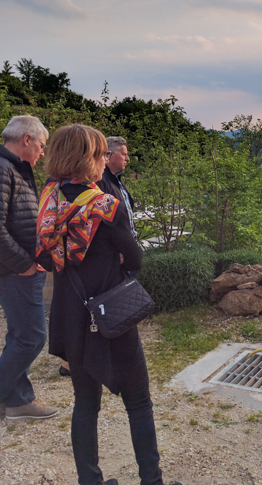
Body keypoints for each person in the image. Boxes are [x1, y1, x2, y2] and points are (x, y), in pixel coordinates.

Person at [35, 124, 180, 485]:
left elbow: (48, 258)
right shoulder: (104, 205)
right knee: (138, 401)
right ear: (86, 159)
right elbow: (135, 258)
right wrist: (115, 261)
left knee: (85, 405)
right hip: (109, 313)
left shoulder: (49, 199)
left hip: (70, 313)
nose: (104, 161)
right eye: (100, 154)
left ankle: (91, 481)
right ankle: (152, 480)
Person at [0, 115, 57, 420]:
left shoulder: (12, 169)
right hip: (13, 271)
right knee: (32, 336)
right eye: (41, 146)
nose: (43, 153)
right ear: (27, 140)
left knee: (20, 335)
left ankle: (19, 402)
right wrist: (23, 266)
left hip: (17, 270)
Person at [59, 135, 136, 378]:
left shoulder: (53, 193)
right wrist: (122, 253)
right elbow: (99, 227)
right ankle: (87, 360)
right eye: (121, 154)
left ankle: (79, 360)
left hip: (79, 270)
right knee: (101, 310)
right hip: (101, 266)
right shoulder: (98, 188)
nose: (127, 158)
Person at [99, 136, 137, 238]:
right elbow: (104, 223)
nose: (127, 159)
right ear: (110, 155)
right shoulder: (101, 182)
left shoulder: (117, 180)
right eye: (123, 154)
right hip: (114, 249)